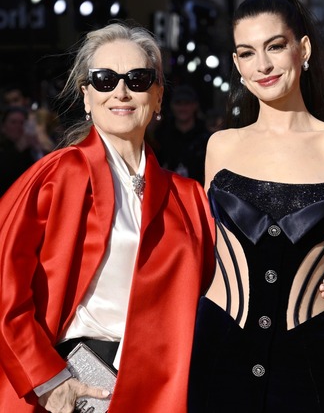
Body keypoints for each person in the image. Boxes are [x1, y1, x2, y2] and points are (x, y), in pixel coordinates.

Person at [0, 22, 215, 412]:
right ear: (86, 95)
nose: (121, 91)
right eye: (103, 79)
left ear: (158, 95)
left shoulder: (189, 197)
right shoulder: (58, 175)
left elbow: (219, 297)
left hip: (160, 393)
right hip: (75, 387)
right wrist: (47, 380)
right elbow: (4, 284)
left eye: (137, 78)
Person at [187, 0, 324, 412]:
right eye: (246, 52)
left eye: (275, 46)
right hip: (219, 358)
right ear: (237, 64)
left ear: (303, 49)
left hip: (309, 367)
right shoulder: (220, 146)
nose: (263, 65)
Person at [152, 84, 212, 185]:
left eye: (187, 103)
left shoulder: (206, 138)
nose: (183, 108)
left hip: (198, 192)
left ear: (195, 105)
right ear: (172, 105)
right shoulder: (161, 135)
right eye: (178, 103)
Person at [0, 106, 38, 195]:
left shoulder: (29, 150)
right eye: (13, 122)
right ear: (3, 127)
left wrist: (37, 148)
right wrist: (19, 148)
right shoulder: (5, 151)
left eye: (22, 123)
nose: (19, 126)